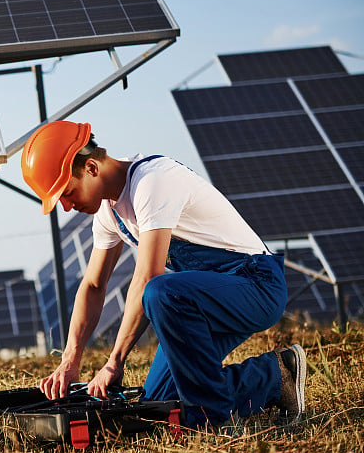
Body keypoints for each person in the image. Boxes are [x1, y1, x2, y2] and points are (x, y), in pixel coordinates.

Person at [20, 120, 307, 430]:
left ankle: (212, 423)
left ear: (91, 167)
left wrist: (114, 362)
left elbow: (147, 279)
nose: (65, 206)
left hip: (255, 286)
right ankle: (276, 376)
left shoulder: (151, 182)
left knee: (161, 292)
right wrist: (70, 361)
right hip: (203, 300)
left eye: (66, 192)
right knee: (157, 403)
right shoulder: (110, 212)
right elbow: (92, 285)